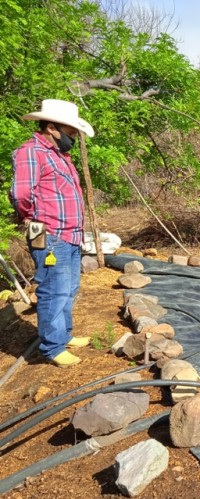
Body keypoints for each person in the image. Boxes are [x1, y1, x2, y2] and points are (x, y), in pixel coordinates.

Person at [9, 99, 95, 367]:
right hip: (50, 234)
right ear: (50, 127)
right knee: (54, 289)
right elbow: (22, 194)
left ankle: (63, 334)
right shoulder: (31, 152)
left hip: (70, 234)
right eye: (70, 132)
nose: (73, 137)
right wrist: (36, 217)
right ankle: (53, 347)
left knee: (69, 287)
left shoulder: (58, 154)